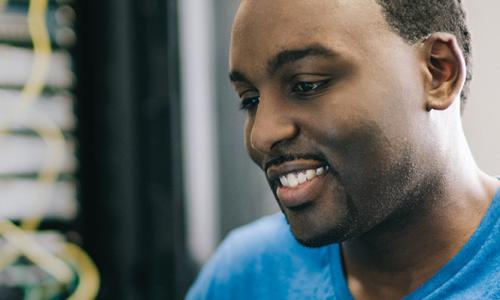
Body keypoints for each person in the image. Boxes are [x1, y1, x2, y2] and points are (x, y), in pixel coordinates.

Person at [187, 0, 500, 299]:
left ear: (438, 72)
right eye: (250, 100)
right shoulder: (244, 275)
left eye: (307, 84)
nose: (262, 135)